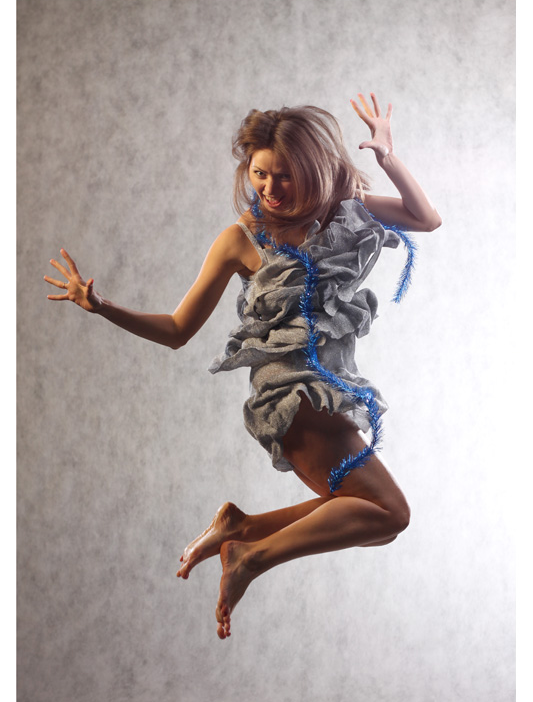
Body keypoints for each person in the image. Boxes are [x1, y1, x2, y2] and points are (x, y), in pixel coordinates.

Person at [45, 93, 441, 639]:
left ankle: (241, 527)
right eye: (260, 174)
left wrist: (387, 158)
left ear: (313, 170)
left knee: (372, 520)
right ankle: (250, 555)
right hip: (291, 395)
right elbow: (177, 329)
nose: (270, 188)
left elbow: (426, 218)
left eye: (285, 176)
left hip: (330, 388)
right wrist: (102, 307)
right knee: (389, 512)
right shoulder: (240, 239)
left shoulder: (344, 209)